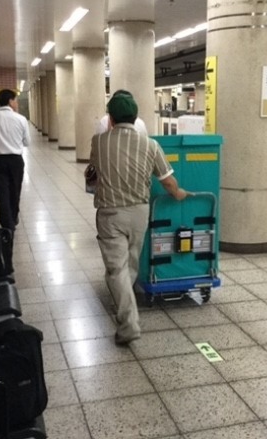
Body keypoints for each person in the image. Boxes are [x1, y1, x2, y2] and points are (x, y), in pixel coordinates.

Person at [89, 93, 187, 346]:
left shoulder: (98, 142)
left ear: (110, 118)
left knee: (116, 269)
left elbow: (94, 173)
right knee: (130, 264)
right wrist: (178, 193)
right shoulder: (150, 144)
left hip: (110, 214)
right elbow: (167, 180)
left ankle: (129, 322)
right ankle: (125, 303)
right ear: (136, 117)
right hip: (139, 213)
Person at [0, 89, 30, 239]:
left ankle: (6, 224)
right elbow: (27, 142)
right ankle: (13, 218)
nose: (16, 102)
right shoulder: (21, 119)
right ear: (10, 101)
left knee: (2, 192)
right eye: (15, 99)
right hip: (15, 161)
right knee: (15, 190)